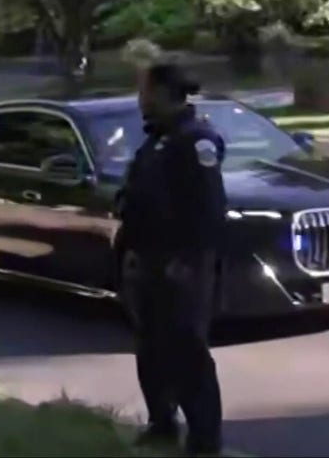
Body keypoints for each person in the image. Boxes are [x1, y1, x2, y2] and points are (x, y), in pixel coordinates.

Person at [117, 62, 227, 456]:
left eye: (144, 90)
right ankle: (162, 422)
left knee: (187, 351)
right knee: (151, 347)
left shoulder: (194, 141)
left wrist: (187, 261)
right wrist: (130, 251)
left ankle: (205, 440)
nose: (140, 99)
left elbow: (208, 209)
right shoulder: (158, 140)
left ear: (165, 92)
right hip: (148, 262)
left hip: (183, 266)